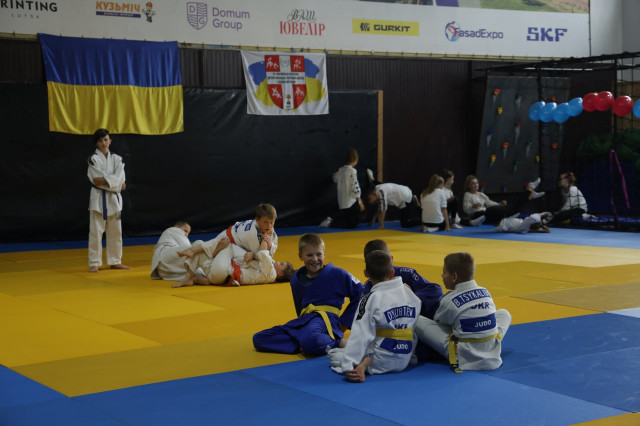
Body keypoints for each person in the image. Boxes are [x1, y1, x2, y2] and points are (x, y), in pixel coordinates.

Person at [252, 233, 363, 355]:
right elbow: (300, 307)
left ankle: (338, 343)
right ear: (300, 256)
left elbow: (362, 293)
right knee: (260, 338)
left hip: (325, 320)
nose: (315, 259)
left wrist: (344, 323)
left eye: (319, 254)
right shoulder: (296, 279)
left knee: (311, 338)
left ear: (324, 254)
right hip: (305, 321)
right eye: (309, 255)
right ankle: (307, 343)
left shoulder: (337, 274)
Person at [327, 250, 421, 382]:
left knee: (334, 354)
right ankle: (364, 362)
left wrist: (349, 364)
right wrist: (411, 356)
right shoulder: (411, 295)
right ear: (392, 272)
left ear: (366, 273)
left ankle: (363, 365)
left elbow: (360, 334)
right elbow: (413, 328)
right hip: (405, 357)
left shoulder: (371, 299)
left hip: (381, 360)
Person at [415, 252, 511, 372]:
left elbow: (440, 323)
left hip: (463, 355)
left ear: (454, 277)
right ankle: (486, 338)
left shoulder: (449, 300)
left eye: (444, 272)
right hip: (491, 349)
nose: (442, 275)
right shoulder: (485, 292)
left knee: (416, 320)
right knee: (504, 313)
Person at [342, 239, 443, 325]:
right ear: (366, 271)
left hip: (420, 323)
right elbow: (361, 318)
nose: (379, 266)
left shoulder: (406, 273)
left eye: (383, 261)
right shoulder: (367, 288)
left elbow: (436, 290)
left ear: (391, 259)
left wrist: (413, 297)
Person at [172, 235, 294, 288]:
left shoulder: (271, 274)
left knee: (227, 243)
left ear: (280, 273)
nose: (278, 262)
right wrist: (253, 254)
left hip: (223, 272)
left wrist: (265, 237)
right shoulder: (267, 270)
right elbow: (260, 256)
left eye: (281, 264)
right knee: (199, 244)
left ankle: (210, 251)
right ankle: (188, 278)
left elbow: (263, 252)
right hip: (218, 274)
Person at [87, 128, 129, 273]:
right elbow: (95, 180)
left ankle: (115, 261)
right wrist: (117, 185)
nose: (103, 143)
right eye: (100, 141)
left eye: (105, 140)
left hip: (114, 201)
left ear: (110, 141)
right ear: (96, 143)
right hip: (98, 200)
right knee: (96, 232)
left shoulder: (117, 159)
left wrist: (105, 180)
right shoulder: (93, 159)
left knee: (116, 232)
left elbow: (121, 178)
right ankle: (94, 262)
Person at [462, 175, 544, 226]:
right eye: (473, 183)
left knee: (514, 209)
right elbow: (466, 209)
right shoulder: (467, 194)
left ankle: (530, 194)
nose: (476, 185)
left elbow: (489, 202)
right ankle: (530, 192)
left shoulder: (481, 194)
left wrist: (499, 204)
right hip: (479, 214)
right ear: (468, 186)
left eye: (476, 183)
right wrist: (473, 206)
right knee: (514, 209)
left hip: (488, 213)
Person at [319, 147, 365, 229]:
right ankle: (330, 222)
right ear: (355, 159)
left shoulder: (341, 170)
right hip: (350, 201)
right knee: (352, 224)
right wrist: (359, 199)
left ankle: (330, 221)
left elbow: (334, 178)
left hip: (342, 201)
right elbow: (355, 185)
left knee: (348, 220)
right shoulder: (352, 171)